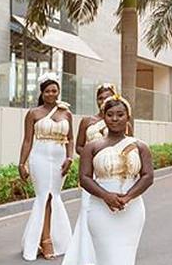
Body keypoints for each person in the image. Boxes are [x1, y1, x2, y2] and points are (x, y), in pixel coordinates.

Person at [80, 95, 153, 265]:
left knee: (126, 257)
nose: (115, 119)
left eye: (120, 115)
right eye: (110, 114)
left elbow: (148, 176)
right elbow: (84, 178)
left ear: (128, 117)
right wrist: (106, 196)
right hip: (99, 208)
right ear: (103, 117)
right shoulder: (92, 146)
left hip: (132, 208)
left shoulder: (140, 146)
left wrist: (128, 197)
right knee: (106, 257)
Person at [19, 72, 73, 260]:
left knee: (54, 196)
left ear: (58, 91)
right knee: (45, 196)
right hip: (39, 157)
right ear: (42, 93)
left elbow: (71, 139)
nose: (51, 94)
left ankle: (48, 239)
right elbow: (27, 141)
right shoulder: (33, 113)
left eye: (54, 91)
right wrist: (22, 163)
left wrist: (70, 158)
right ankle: (46, 240)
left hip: (59, 157)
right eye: (48, 91)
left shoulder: (66, 112)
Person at [63, 83, 117, 265]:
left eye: (107, 97)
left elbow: (128, 143)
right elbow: (78, 145)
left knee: (108, 212)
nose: (104, 101)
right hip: (92, 172)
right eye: (100, 98)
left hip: (112, 172)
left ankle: (108, 252)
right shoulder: (87, 121)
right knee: (88, 210)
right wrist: (91, 156)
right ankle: (85, 255)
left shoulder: (121, 119)